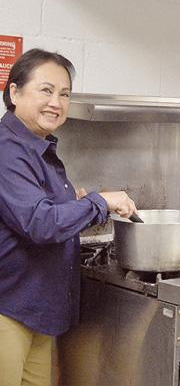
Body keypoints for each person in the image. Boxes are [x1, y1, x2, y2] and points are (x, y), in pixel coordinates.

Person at [0, 48, 138, 386]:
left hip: (34, 310)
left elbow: (36, 213)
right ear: (14, 92)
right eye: (46, 90)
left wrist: (74, 202)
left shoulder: (37, 148)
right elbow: (40, 224)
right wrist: (101, 201)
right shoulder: (7, 149)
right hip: (7, 309)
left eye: (65, 94)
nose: (56, 103)